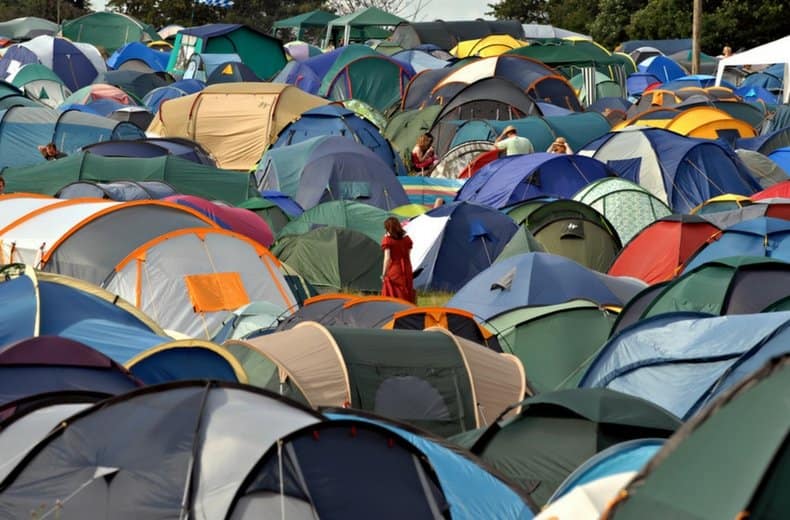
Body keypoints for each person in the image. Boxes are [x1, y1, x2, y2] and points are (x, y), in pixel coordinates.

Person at [381, 216, 415, 303]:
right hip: (407, 267)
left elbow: (387, 259)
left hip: (395, 268)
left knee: (394, 292)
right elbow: (408, 254)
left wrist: (384, 274)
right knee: (407, 289)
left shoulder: (387, 240)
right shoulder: (407, 240)